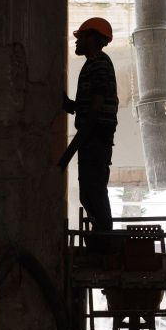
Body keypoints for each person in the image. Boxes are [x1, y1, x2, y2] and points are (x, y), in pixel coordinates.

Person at [61, 17, 119, 238]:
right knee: (89, 192)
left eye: (81, 37)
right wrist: (71, 105)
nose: (77, 41)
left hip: (95, 136)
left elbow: (96, 107)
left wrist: (74, 146)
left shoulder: (99, 63)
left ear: (93, 38)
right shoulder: (94, 64)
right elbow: (93, 103)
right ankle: (101, 238)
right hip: (93, 135)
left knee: (92, 191)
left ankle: (103, 242)